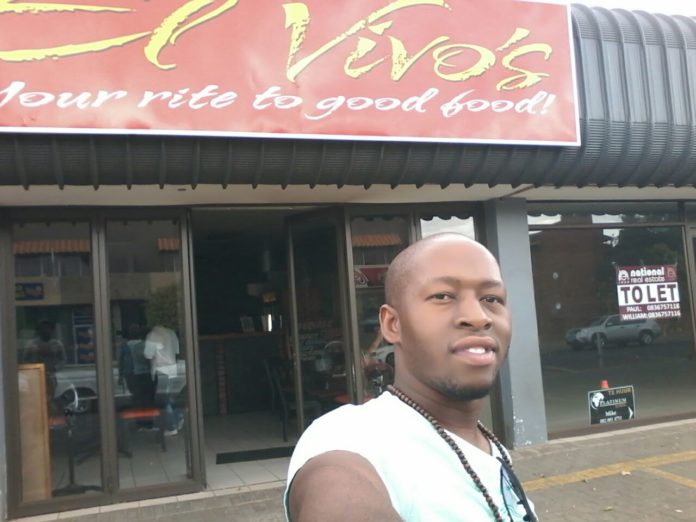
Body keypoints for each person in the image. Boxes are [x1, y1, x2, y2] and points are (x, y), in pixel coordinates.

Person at [285, 233, 537, 521]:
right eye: (443, 296)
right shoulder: (351, 437)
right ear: (393, 324)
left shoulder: (488, 447)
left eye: (491, 298)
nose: (479, 316)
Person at [144, 324, 183, 436]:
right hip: (173, 368)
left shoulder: (152, 335)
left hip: (160, 369)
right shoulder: (171, 333)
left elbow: (148, 355)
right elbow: (177, 351)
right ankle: (178, 417)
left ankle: (172, 426)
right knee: (170, 397)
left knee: (164, 399)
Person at [23, 320, 67, 411]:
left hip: (51, 375)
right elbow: (25, 359)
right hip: (35, 376)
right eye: (43, 328)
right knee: (36, 399)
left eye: (48, 328)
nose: (45, 330)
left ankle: (50, 415)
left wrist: (56, 367)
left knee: (50, 399)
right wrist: (32, 369)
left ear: (52, 330)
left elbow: (63, 360)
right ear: (39, 330)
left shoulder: (57, 344)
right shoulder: (32, 344)